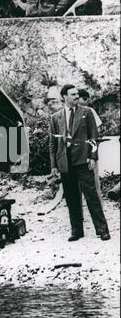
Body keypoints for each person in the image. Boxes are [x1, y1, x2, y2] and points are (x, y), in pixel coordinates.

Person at [49, 84, 111, 242]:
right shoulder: (56, 117)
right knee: (71, 198)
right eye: (73, 94)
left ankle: (102, 230)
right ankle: (77, 231)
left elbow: (93, 136)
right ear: (64, 97)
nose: (77, 96)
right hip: (65, 162)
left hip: (83, 160)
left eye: (77, 94)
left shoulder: (87, 112)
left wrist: (92, 156)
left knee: (92, 196)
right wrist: (54, 165)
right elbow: (52, 143)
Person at [78, 88, 102, 202]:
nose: (87, 101)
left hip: (89, 148)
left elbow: (97, 130)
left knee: (93, 175)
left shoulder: (90, 111)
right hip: (78, 150)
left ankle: (97, 200)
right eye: (85, 99)